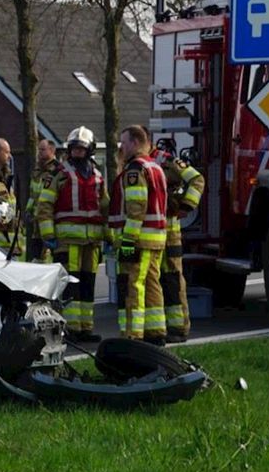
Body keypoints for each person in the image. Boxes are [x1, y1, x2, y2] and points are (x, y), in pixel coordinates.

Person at [36, 127, 108, 342]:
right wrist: (48, 235)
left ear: (90, 150)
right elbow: (45, 205)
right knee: (69, 287)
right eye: (74, 149)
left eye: (82, 149)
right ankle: (69, 329)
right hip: (67, 242)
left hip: (92, 242)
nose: (78, 152)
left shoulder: (97, 175)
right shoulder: (58, 173)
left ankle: (85, 327)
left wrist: (109, 236)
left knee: (88, 285)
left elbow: (104, 206)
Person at [142, 129, 205, 343]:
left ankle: (179, 327)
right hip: (151, 231)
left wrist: (186, 206)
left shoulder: (166, 160)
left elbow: (197, 180)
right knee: (155, 280)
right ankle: (160, 327)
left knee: (173, 279)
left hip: (169, 230)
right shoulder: (138, 163)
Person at [108, 125, 169, 345]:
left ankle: (133, 335)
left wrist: (127, 241)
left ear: (134, 142)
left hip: (140, 239)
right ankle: (156, 331)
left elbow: (136, 208)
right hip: (157, 237)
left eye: (123, 143)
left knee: (134, 286)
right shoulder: (156, 167)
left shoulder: (135, 170)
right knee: (152, 284)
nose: (121, 148)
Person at [26, 138, 60, 262]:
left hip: (51, 222)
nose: (39, 153)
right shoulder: (36, 170)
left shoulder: (58, 170)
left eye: (42, 150)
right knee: (36, 258)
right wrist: (28, 210)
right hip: (36, 222)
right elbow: (33, 194)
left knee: (57, 257)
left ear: (51, 150)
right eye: (38, 150)